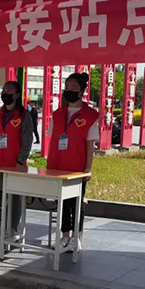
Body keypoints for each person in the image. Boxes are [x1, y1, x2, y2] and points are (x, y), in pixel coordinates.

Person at [46, 72, 99, 248]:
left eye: (74, 87)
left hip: (77, 166)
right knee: (62, 202)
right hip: (58, 165)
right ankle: (64, 236)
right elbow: (52, 140)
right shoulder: (58, 114)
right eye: (67, 87)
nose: (69, 90)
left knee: (76, 203)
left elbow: (90, 144)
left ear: (82, 91)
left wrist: (88, 168)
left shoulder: (90, 115)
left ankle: (76, 237)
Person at [0, 80, 33, 240]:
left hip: (15, 164)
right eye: (4, 90)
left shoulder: (24, 116)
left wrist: (21, 160)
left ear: (17, 95)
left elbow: (27, 141)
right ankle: (2, 226)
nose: (5, 93)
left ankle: (13, 229)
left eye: (9, 91)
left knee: (14, 198)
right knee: (0, 198)